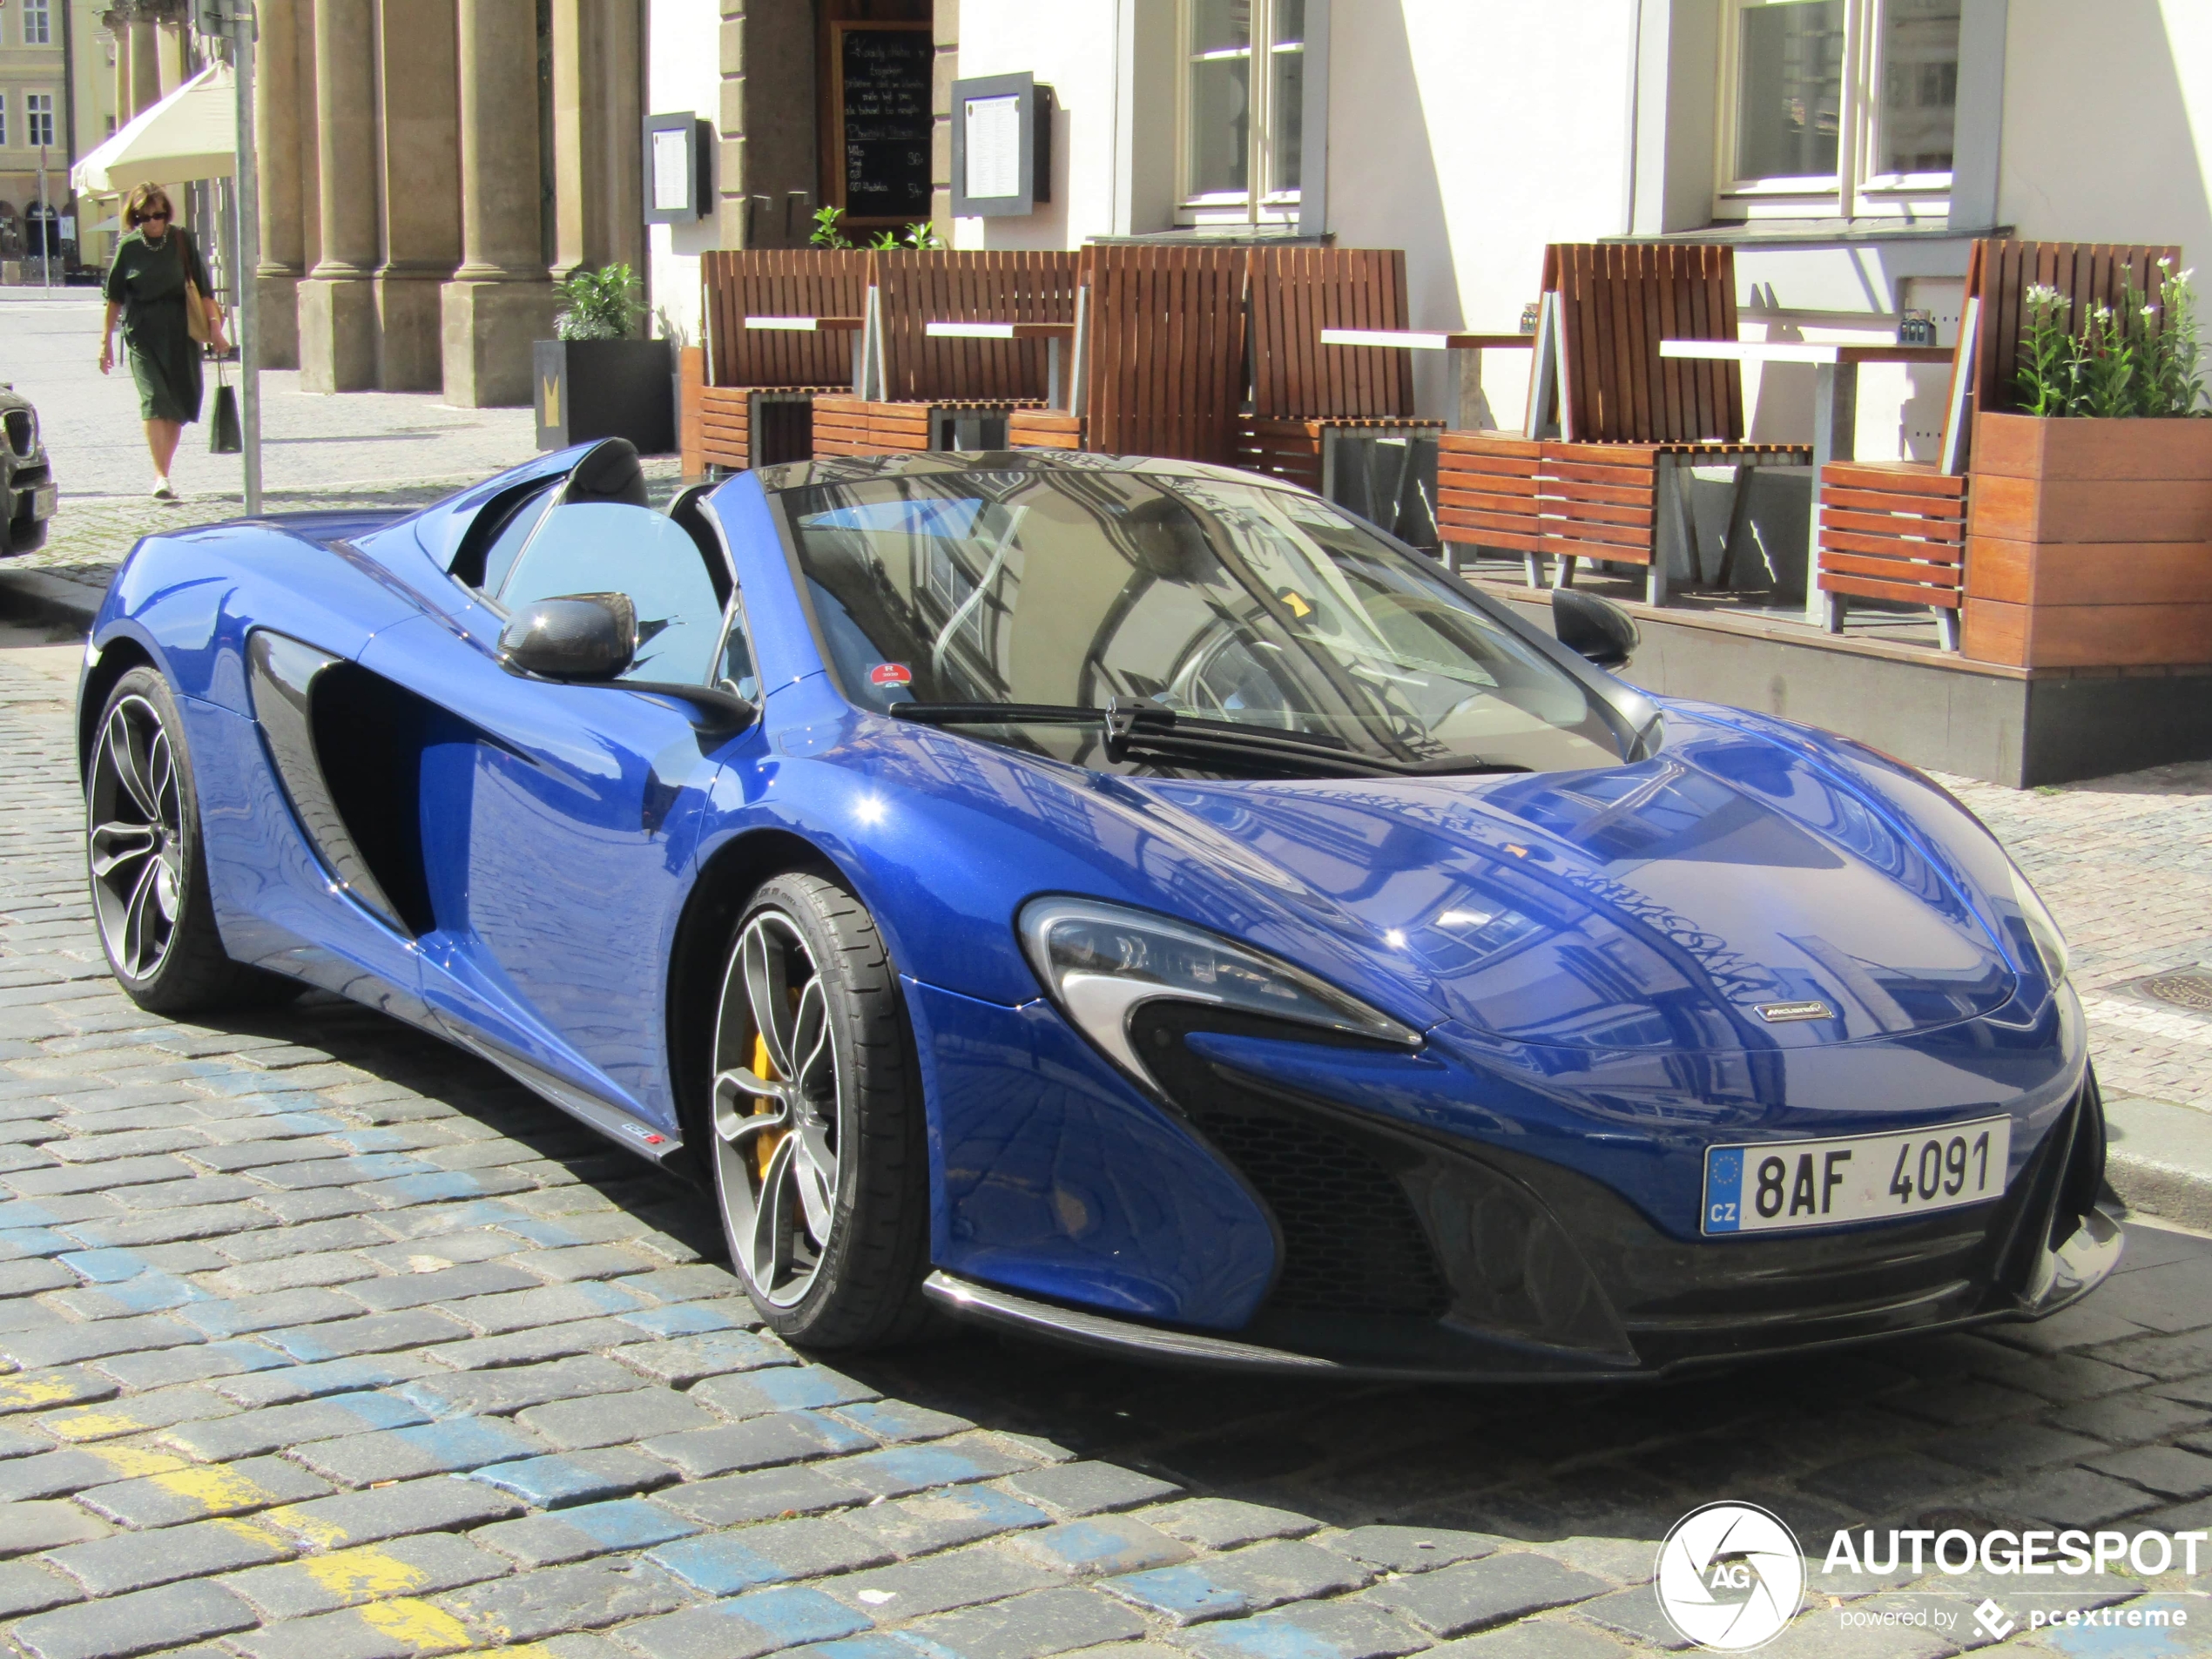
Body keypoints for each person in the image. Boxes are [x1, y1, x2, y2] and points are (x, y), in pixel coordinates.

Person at [97, 185, 228, 501]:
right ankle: (160, 475)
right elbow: (114, 298)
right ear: (135, 216)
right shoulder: (128, 248)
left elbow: (204, 290)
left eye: (158, 215)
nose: (153, 222)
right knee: (155, 401)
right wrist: (105, 343)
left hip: (180, 332)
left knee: (176, 406)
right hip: (142, 334)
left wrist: (215, 329)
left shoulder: (181, 240)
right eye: (145, 216)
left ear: (167, 213)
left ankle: (165, 470)